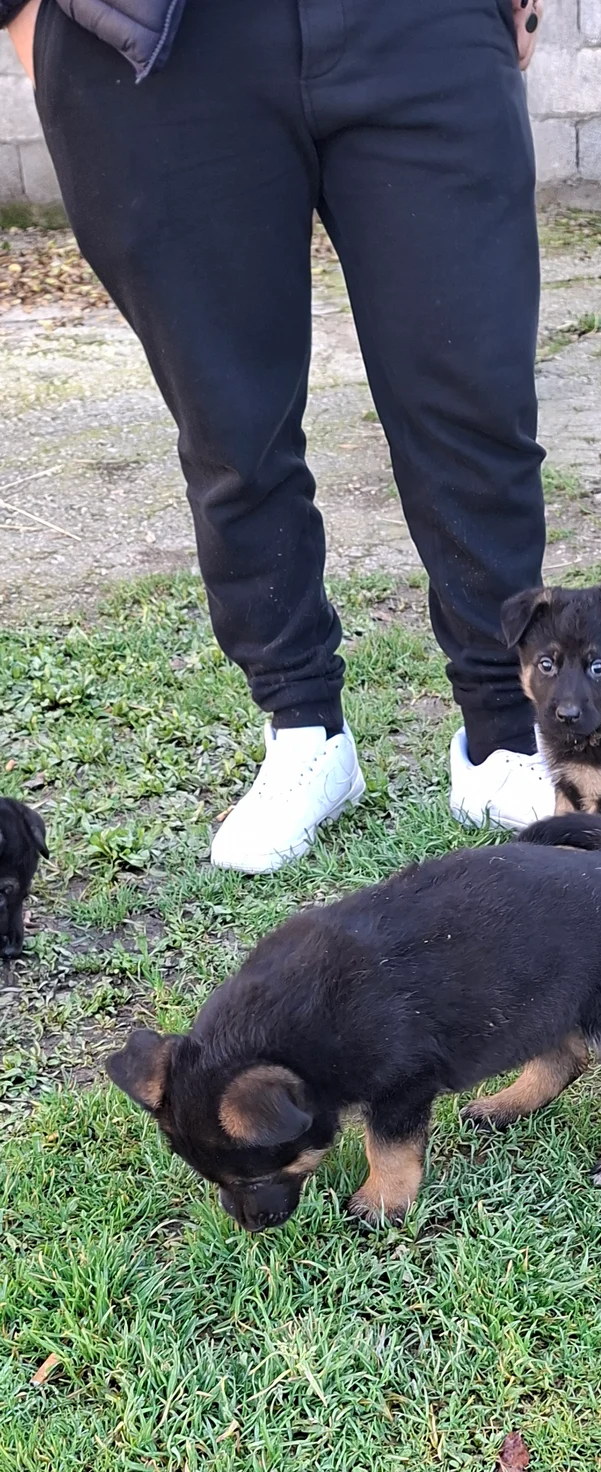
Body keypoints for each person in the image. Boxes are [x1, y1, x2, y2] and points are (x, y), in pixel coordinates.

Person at [3, 0, 555, 872]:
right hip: (161, 43)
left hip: (423, 26)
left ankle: (503, 730)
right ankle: (303, 729)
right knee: (230, 423)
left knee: (473, 394)